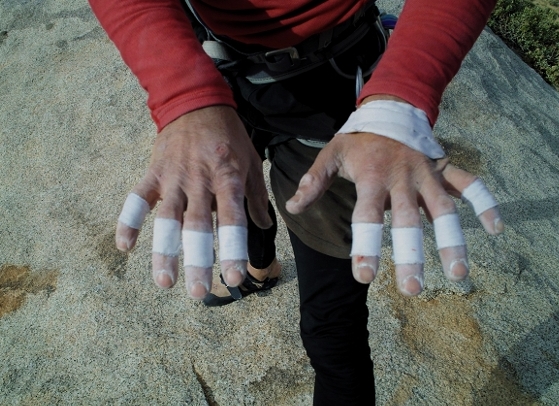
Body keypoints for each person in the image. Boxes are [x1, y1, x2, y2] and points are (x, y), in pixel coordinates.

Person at [89, 0, 502, 404]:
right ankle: (262, 268)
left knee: (331, 331)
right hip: (213, 66)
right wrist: (185, 94)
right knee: (234, 195)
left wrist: (402, 95)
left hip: (335, 82)